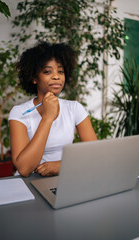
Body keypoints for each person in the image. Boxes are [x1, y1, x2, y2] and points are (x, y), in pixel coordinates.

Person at [8, 41, 97, 178]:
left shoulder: (74, 108)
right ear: (34, 78)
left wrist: (61, 166)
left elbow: (94, 154)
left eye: (60, 71)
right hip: (31, 181)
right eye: (47, 71)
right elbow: (24, 169)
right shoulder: (19, 113)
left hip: (66, 176)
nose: (56, 76)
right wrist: (47, 118)